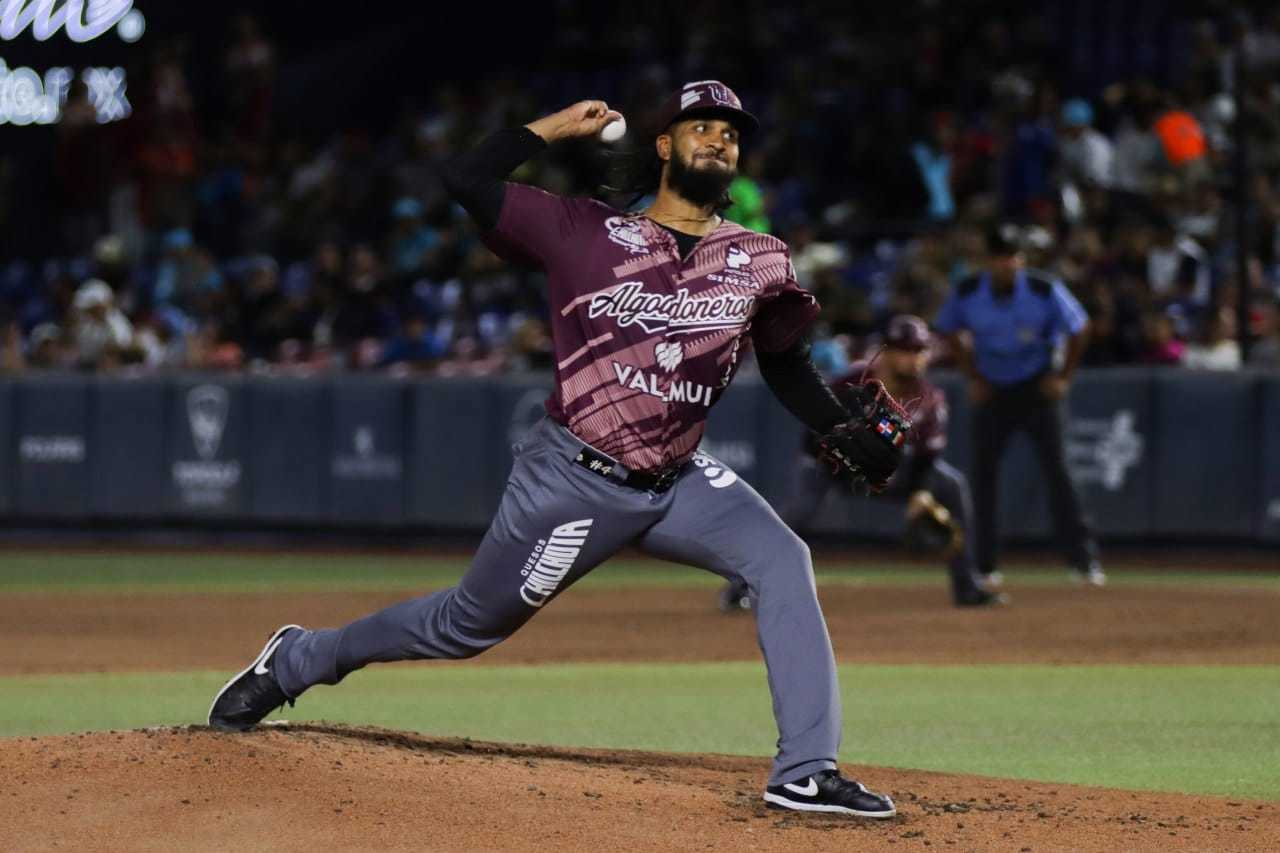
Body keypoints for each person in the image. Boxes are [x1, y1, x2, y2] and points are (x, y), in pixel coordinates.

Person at [209, 82, 905, 820]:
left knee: (783, 557)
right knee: (463, 626)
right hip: (574, 476)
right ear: (664, 145)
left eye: (730, 133)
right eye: (700, 126)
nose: (718, 140)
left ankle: (805, 769)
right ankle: (297, 658)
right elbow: (465, 180)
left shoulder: (760, 258)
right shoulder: (585, 231)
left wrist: (836, 426)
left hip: (679, 479)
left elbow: (786, 363)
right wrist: (553, 129)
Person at [719, 315, 1004, 612]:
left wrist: (920, 492)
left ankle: (967, 585)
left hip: (886, 469)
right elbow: (812, 432)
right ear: (887, 351)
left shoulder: (930, 398)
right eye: (905, 349)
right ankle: (739, 587)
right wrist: (845, 456)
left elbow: (926, 456)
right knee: (797, 514)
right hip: (828, 464)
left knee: (953, 486)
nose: (913, 358)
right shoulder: (852, 382)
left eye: (919, 350)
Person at [934, 225, 1104, 587]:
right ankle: (984, 565)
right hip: (993, 388)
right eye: (999, 258)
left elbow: (1080, 328)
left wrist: (1063, 377)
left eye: (1013, 257)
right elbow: (946, 328)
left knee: (1059, 473)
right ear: (988, 261)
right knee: (982, 478)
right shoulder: (968, 292)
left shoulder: (1042, 289)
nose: (1007, 264)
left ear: (1021, 260)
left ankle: (1083, 561)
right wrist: (972, 376)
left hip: (1036, 386)